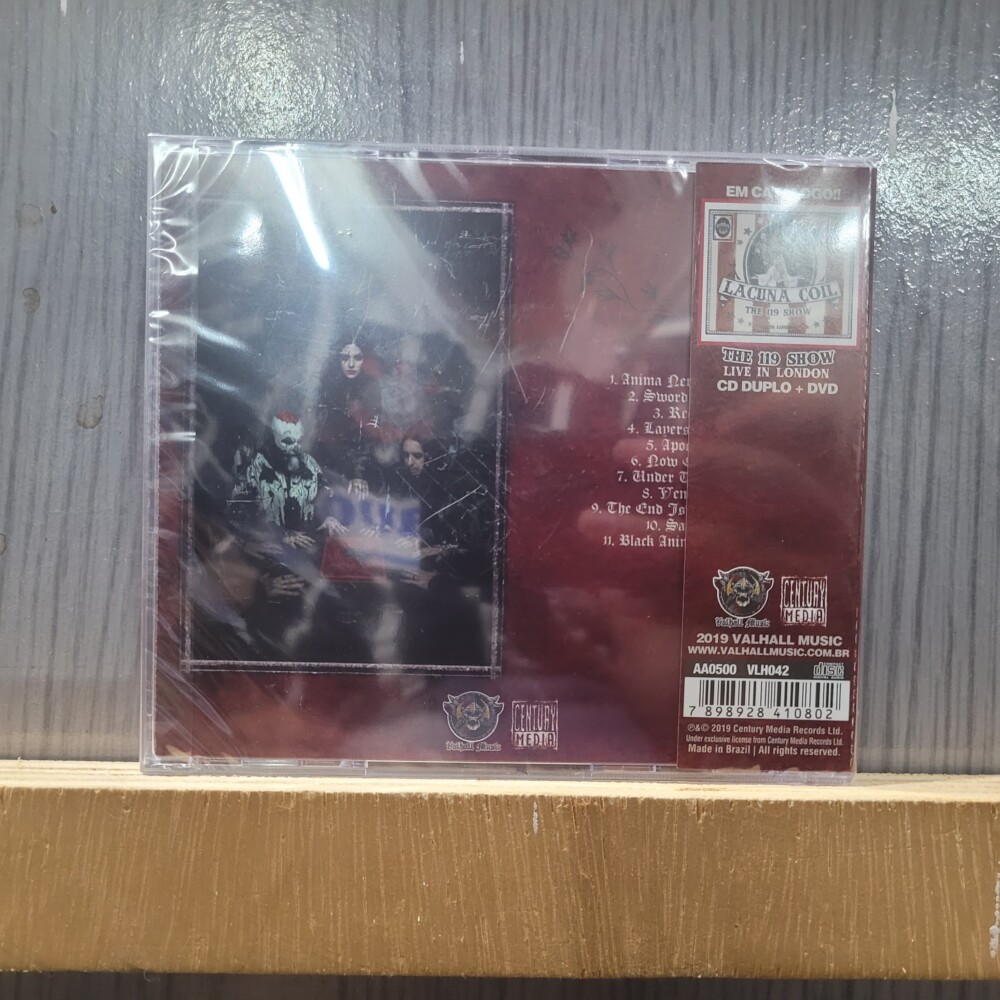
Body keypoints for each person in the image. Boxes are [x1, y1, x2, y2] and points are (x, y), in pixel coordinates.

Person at [314, 338, 382, 498]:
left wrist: (358, 473)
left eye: (357, 358)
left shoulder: (371, 390)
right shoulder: (329, 387)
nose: (351, 364)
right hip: (329, 462)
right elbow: (324, 433)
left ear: (365, 360)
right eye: (345, 357)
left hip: (362, 469)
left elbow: (370, 436)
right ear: (337, 360)